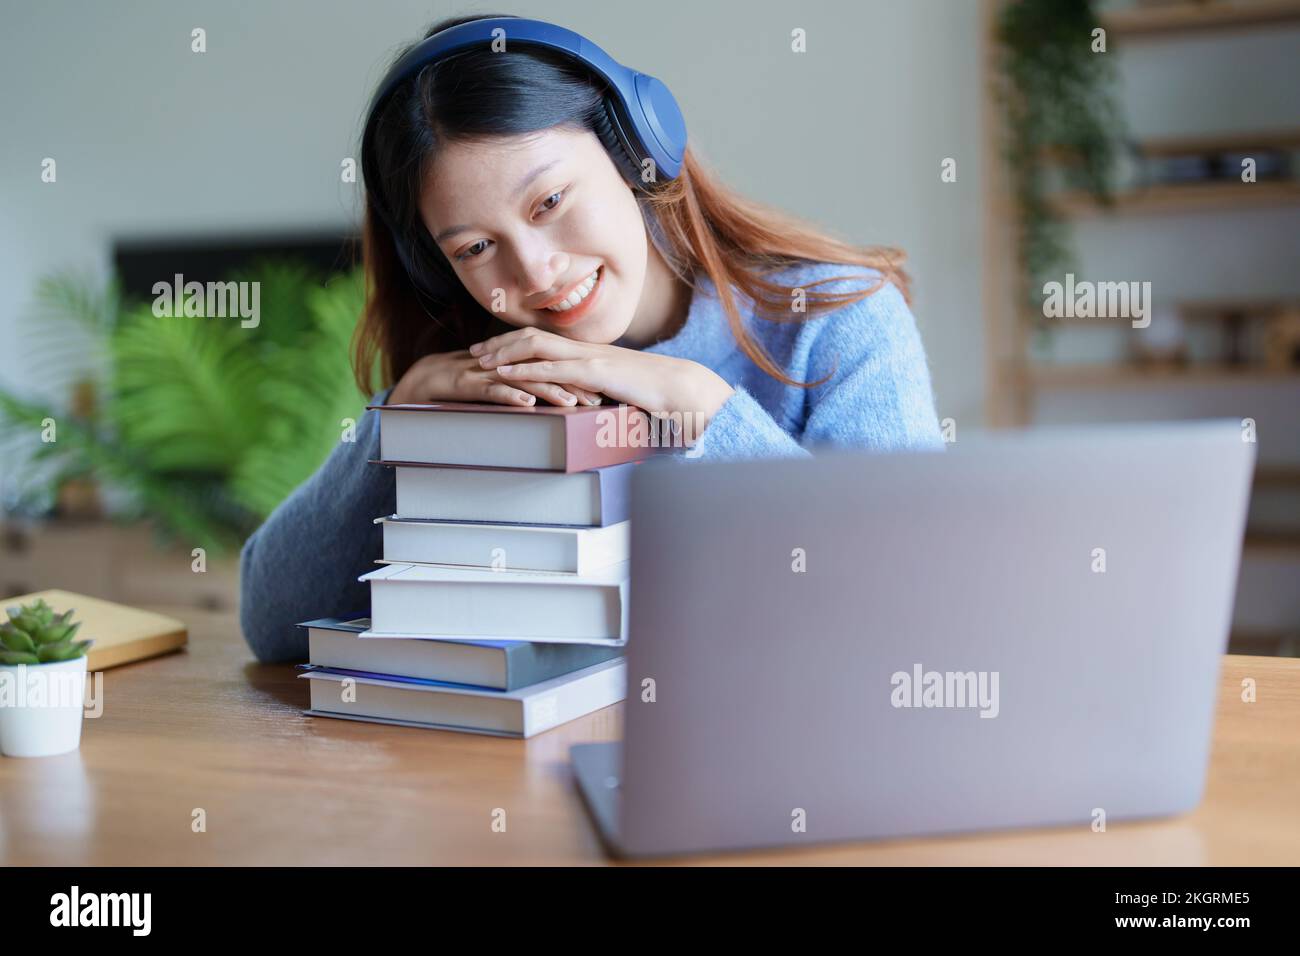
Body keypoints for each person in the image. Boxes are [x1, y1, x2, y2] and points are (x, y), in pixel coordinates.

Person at [239, 13, 943, 663]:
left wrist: (703, 405)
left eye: (549, 202)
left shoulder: (836, 321)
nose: (536, 271)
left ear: (636, 150)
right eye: (477, 247)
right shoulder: (490, 378)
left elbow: (909, 604)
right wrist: (392, 432)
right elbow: (271, 623)